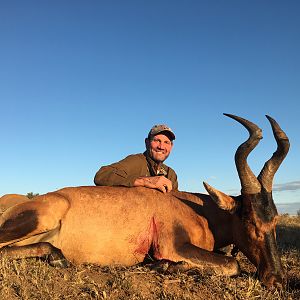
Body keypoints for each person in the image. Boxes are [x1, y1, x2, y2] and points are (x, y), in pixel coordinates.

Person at [94, 124, 178, 193]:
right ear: (147, 142)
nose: (161, 147)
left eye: (166, 142)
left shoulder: (170, 174)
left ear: (171, 146)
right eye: (157, 140)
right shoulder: (136, 161)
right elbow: (101, 175)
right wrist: (145, 181)